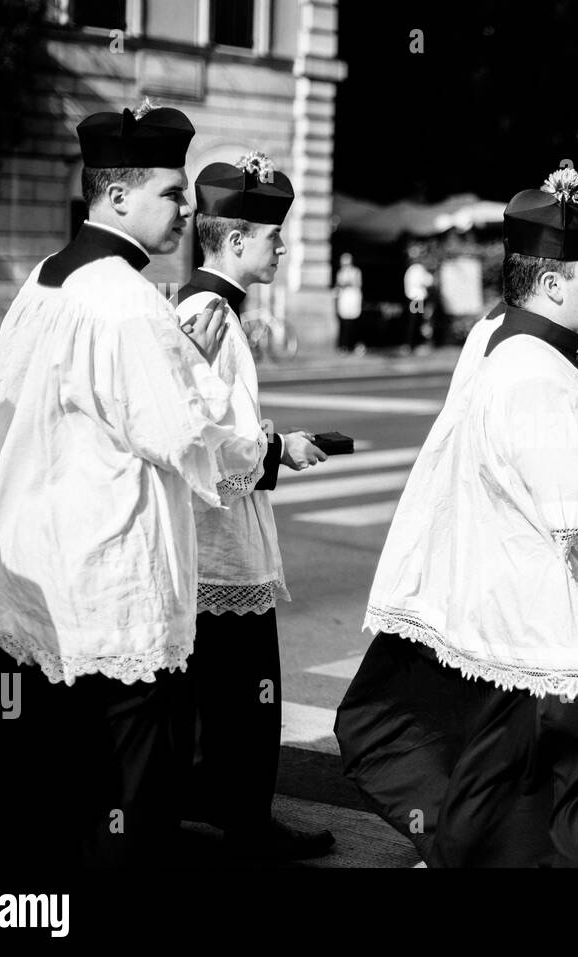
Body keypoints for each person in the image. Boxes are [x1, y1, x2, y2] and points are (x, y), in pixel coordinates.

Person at [334, 162, 578, 867]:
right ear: (555, 282)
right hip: (560, 634)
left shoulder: (529, 347)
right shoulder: (532, 370)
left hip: (545, 629)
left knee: (525, 810)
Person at [0, 102, 271, 866]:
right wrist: (197, 372)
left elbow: (12, 399)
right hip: (106, 587)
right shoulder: (128, 303)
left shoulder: (44, 281)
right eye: (173, 192)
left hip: (23, 567)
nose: (188, 208)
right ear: (118, 196)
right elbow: (191, 439)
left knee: (18, 796)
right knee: (120, 803)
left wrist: (174, 362)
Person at [173, 151, 334, 860]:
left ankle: (220, 809)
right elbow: (214, 443)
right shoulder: (210, 313)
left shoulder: (208, 309)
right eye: (273, 236)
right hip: (219, 547)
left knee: (219, 694)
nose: (282, 247)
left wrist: (268, 441)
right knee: (248, 694)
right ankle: (245, 824)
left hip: (211, 543)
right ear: (235, 241)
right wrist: (276, 451)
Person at [403, 243, 435, 354]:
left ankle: (412, 344)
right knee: (415, 321)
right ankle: (412, 344)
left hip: (414, 298)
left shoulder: (411, 269)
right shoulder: (417, 269)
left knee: (414, 321)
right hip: (417, 299)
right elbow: (427, 281)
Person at [335, 252, 365, 355]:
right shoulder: (340, 273)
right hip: (344, 301)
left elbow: (357, 284)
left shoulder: (356, 272)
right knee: (344, 324)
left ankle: (353, 345)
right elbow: (339, 285)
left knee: (353, 325)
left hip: (353, 300)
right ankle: (343, 346)